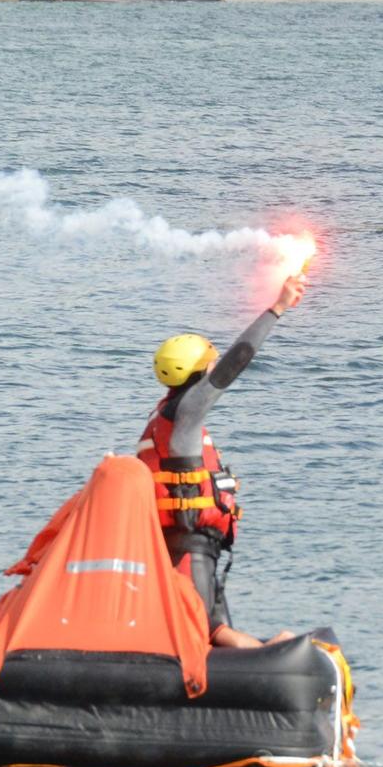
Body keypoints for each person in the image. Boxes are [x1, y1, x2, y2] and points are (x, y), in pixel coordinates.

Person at [137, 273, 306, 649]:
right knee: (206, 634)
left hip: (194, 544)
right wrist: (277, 308)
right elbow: (237, 362)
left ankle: (279, 652)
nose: (215, 368)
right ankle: (283, 649)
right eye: (209, 365)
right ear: (198, 372)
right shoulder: (186, 413)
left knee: (214, 633)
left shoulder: (165, 418)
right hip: (188, 546)